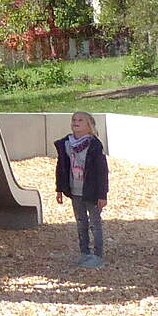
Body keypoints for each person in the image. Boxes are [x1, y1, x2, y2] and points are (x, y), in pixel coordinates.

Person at [54, 111, 110, 268]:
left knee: (95, 223)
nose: (75, 122)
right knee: (80, 222)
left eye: (80, 120)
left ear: (89, 125)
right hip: (75, 190)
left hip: (91, 191)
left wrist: (102, 194)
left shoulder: (94, 145)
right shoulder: (66, 143)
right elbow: (61, 167)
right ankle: (84, 253)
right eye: (74, 119)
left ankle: (98, 256)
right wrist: (60, 188)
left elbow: (101, 171)